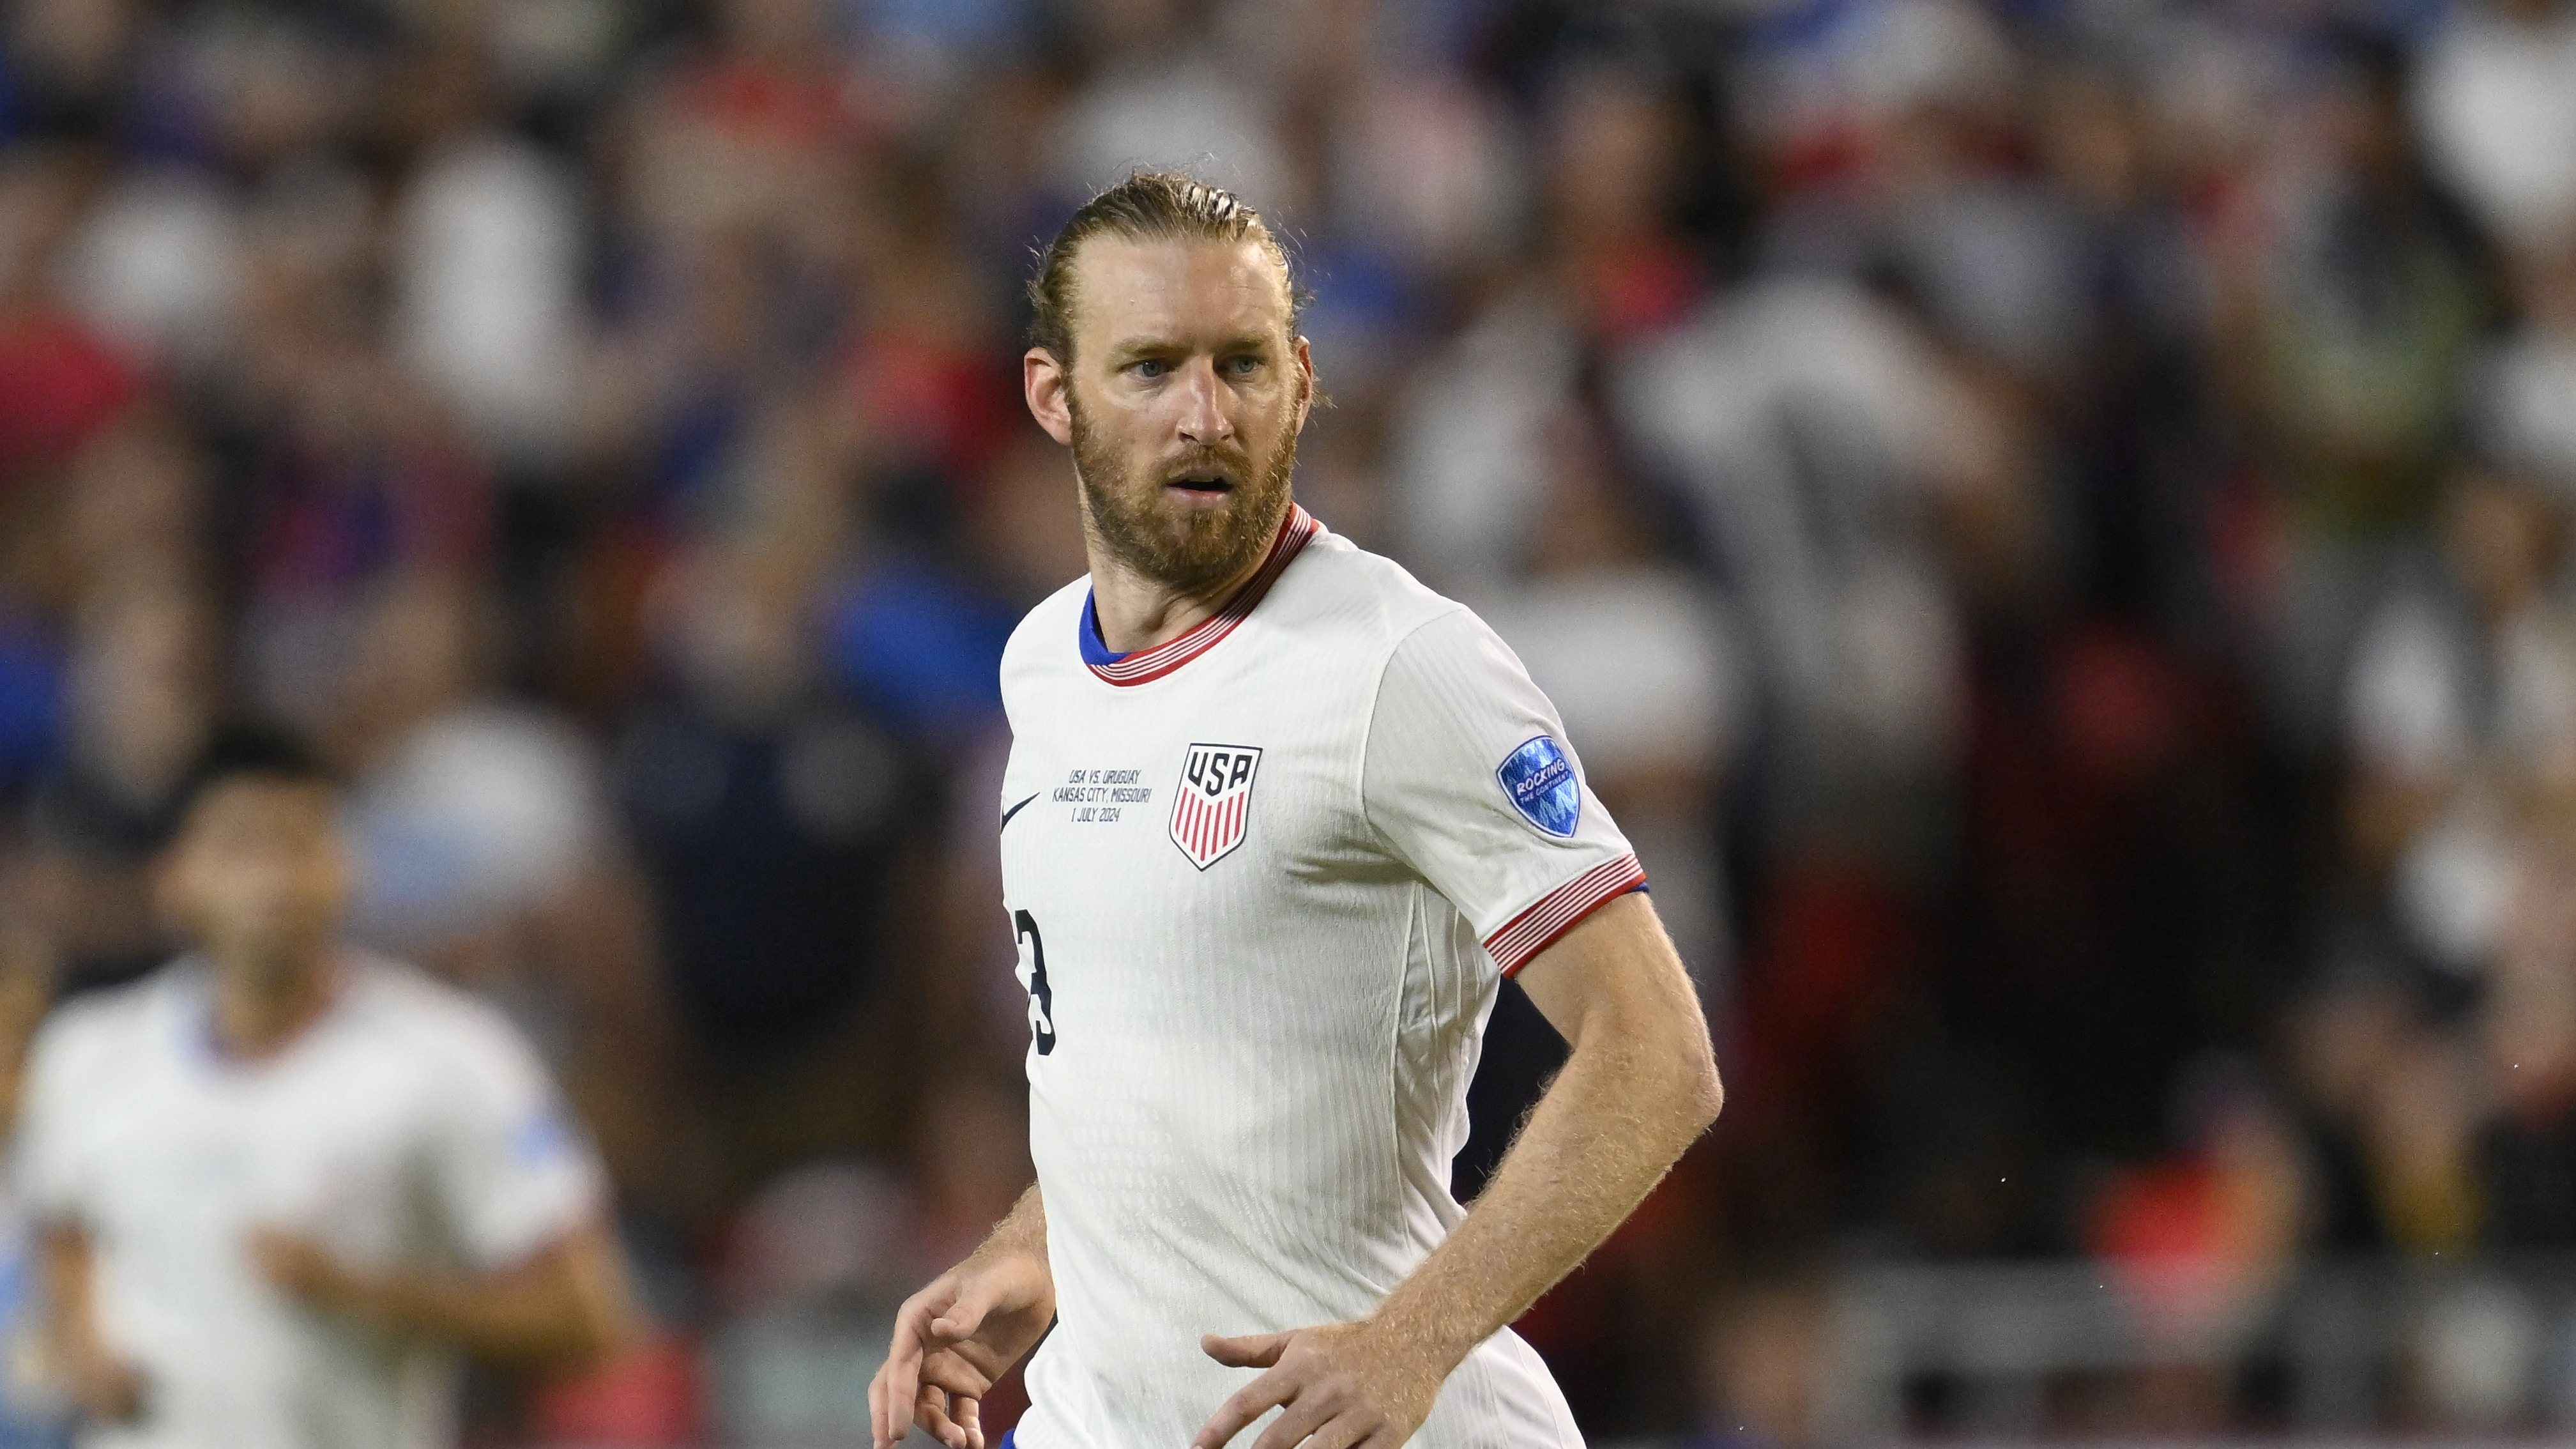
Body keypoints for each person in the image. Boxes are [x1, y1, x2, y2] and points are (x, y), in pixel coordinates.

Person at [869, 172, 1724, 1449]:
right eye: (1150, 368)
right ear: (1054, 396)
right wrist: (1033, 1252)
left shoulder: (1401, 667)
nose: (1205, 414)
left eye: (1243, 365)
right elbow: (1151, 1060)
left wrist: (1412, 1343)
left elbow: (1659, 1055)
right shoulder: (1043, 665)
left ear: (1303, 378)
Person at [17, 723, 637, 1448]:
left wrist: (363, 1292)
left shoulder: (452, 1060)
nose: (274, 881)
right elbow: (59, 1225)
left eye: (300, 845)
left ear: (348, 867)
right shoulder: (87, 1054)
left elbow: (588, 1318)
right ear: (176, 877)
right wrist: (80, 1344)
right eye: (243, 848)